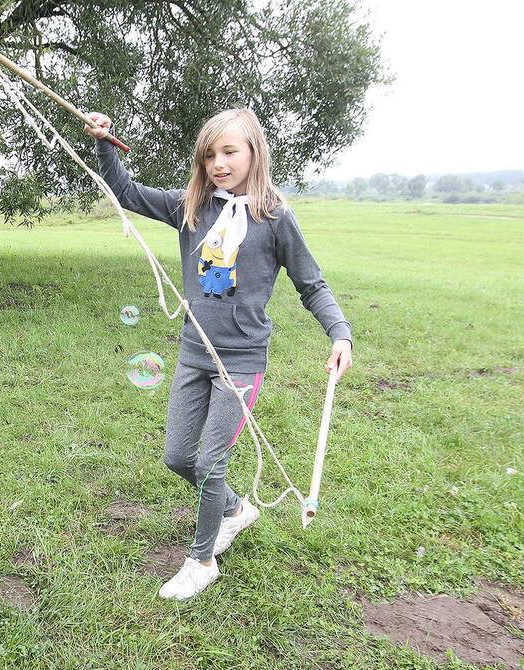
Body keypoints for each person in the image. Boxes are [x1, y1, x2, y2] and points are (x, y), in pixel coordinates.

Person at [85, 108, 352, 599]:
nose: (219, 163)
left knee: (210, 462)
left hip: (242, 361)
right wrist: (105, 142)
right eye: (210, 155)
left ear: (255, 153)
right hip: (193, 353)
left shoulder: (275, 219)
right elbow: (125, 193)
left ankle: (202, 560)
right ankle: (234, 509)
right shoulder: (190, 206)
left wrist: (340, 332)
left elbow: (311, 283)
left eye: (230, 152)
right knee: (178, 456)